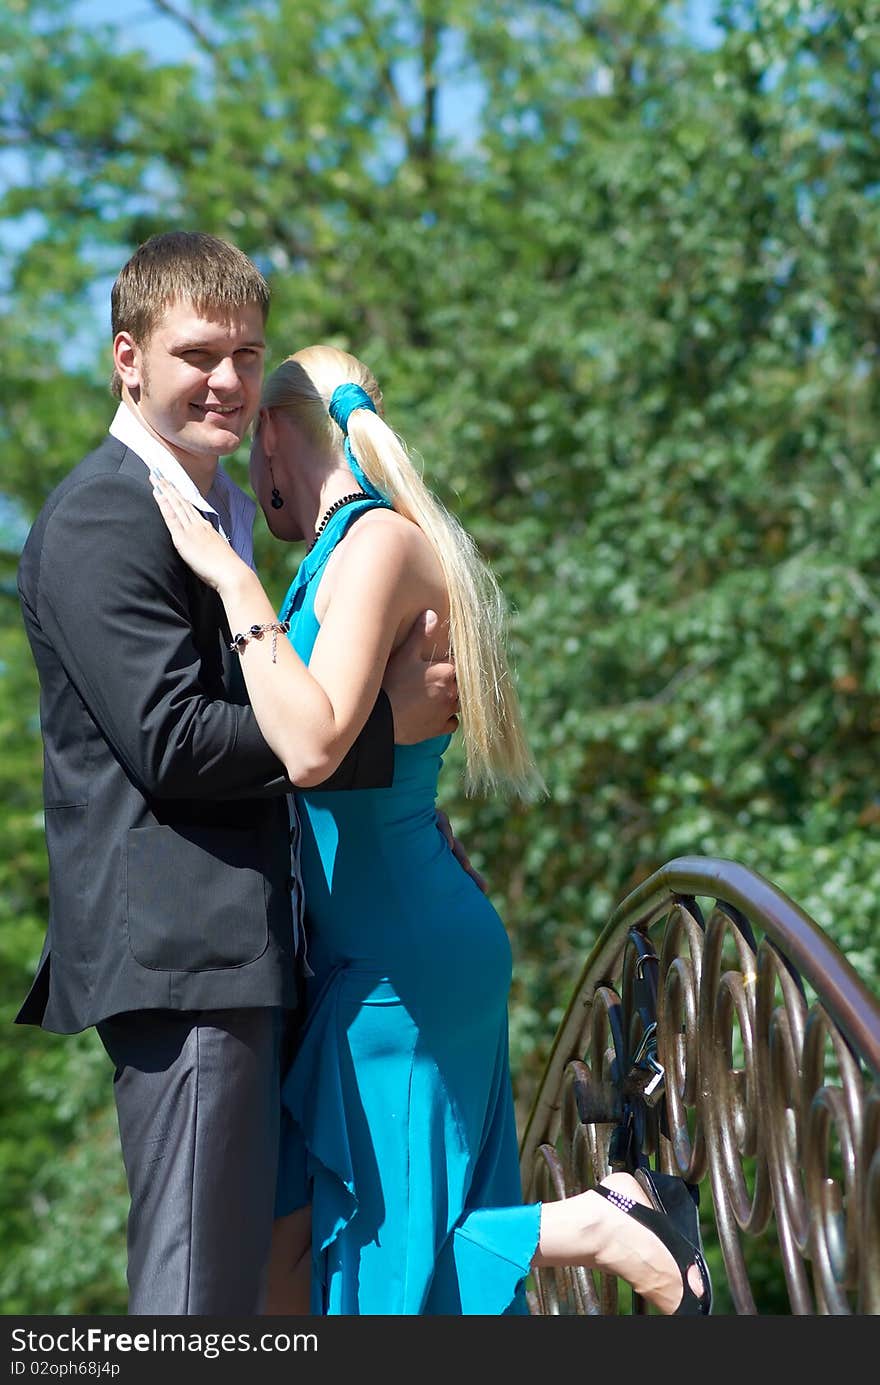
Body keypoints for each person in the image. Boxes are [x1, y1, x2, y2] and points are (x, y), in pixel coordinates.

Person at [151, 344, 713, 1316]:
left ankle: (601, 1220)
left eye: (253, 445)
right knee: (320, 1258)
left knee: (390, 1276)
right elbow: (354, 744)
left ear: (278, 432)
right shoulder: (334, 558)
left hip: (400, 968)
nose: (251, 472)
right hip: (361, 958)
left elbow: (316, 746)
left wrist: (230, 580)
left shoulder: (375, 544)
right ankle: (594, 1218)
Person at [14, 232, 460, 1316]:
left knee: (262, 1289)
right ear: (128, 358)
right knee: (194, 1297)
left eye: (247, 355)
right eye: (197, 352)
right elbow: (171, 740)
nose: (227, 379)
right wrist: (375, 734)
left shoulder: (219, 511)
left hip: (252, 957)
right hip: (186, 964)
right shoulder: (104, 515)